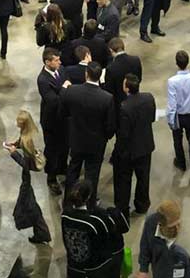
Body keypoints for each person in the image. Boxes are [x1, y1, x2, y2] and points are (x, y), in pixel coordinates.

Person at [61, 179, 130, 278]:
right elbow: (108, 239)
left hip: (74, 263)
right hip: (96, 267)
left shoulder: (65, 215)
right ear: (88, 197)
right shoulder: (97, 220)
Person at [63, 64, 118, 194]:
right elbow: (111, 125)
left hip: (77, 139)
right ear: (99, 77)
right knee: (92, 175)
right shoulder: (107, 98)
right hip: (96, 143)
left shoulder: (72, 91)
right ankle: (89, 203)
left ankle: (68, 202)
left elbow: (65, 112)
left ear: (86, 74)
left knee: (73, 169)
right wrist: (105, 137)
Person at [134, 200, 190, 278]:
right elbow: (145, 245)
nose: (174, 230)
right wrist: (143, 268)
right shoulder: (151, 223)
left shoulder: (181, 256)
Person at [7, 110, 52, 245]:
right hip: (27, 178)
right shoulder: (30, 133)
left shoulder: (29, 140)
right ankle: (41, 232)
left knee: (30, 206)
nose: (16, 124)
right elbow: (22, 142)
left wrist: (14, 153)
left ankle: (42, 232)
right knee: (31, 205)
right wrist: (15, 144)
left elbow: (26, 164)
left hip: (28, 177)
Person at [113, 74, 155, 214]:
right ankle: (142, 204)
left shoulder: (125, 107)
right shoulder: (149, 98)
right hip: (146, 146)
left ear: (126, 88)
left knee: (124, 179)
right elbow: (152, 118)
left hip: (129, 151)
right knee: (143, 178)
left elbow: (124, 134)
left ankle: (122, 206)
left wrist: (117, 152)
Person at [37, 47, 70, 190]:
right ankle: (51, 177)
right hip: (51, 120)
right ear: (47, 62)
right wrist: (64, 88)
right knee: (52, 149)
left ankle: (63, 168)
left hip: (64, 117)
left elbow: (68, 79)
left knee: (65, 145)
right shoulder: (43, 79)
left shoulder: (61, 69)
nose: (59, 62)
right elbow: (53, 101)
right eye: (56, 60)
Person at [166, 50, 190, 171]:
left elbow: (172, 102)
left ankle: (181, 162)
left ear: (176, 63)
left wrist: (170, 120)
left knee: (177, 137)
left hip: (178, 114)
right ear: (188, 62)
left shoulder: (172, 81)